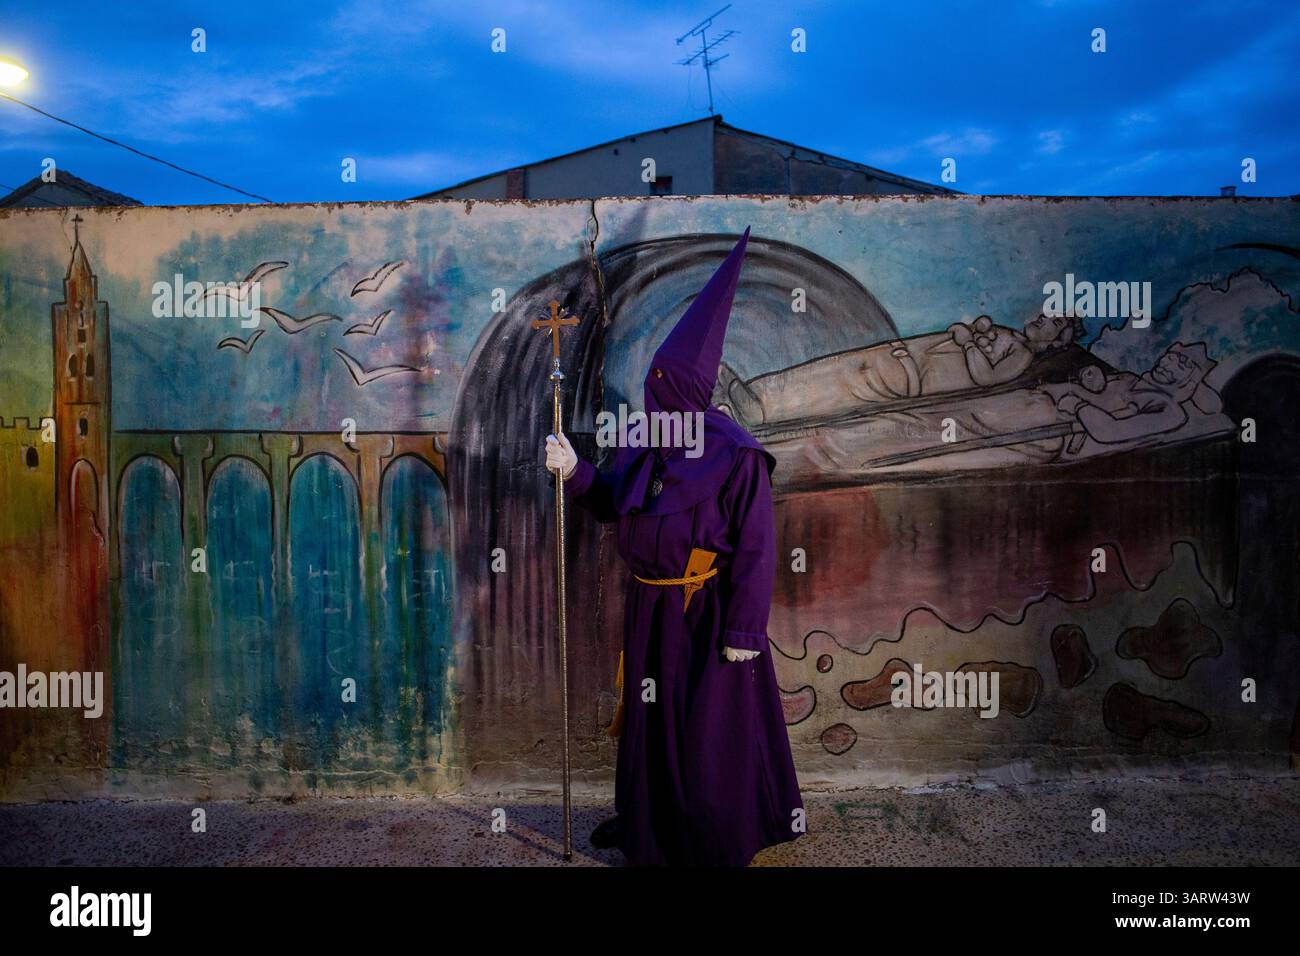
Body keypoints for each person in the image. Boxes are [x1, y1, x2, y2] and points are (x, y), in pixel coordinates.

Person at [543, 228, 805, 866]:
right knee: (649, 727)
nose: (653, 397)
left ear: (686, 389)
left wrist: (744, 631)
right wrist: (574, 467)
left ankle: (709, 841)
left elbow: (756, 549)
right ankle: (647, 826)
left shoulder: (736, 455)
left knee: (704, 734)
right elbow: (612, 502)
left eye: (663, 387)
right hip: (650, 612)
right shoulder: (648, 438)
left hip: (704, 615)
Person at [718, 311, 1086, 430]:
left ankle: (762, 410)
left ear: (1058, 340)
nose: (1042, 318)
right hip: (903, 357)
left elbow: (985, 378)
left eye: (1052, 321)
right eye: (1045, 313)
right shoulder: (1010, 335)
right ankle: (757, 394)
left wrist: (968, 340)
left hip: (909, 377)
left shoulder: (1021, 353)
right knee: (832, 369)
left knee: (842, 386)